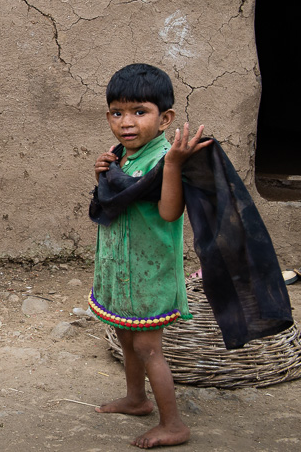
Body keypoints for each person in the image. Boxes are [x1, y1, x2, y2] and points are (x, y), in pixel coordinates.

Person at [90, 63, 211, 449]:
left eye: (139, 112)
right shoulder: (121, 156)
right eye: (117, 113)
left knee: (147, 347)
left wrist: (174, 164)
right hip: (122, 267)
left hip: (150, 272)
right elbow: (116, 200)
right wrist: (103, 175)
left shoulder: (165, 159)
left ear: (165, 119)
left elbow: (169, 212)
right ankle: (136, 399)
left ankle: (173, 424)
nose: (126, 122)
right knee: (126, 336)